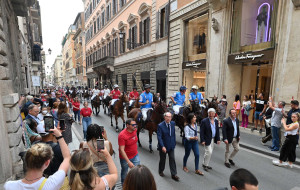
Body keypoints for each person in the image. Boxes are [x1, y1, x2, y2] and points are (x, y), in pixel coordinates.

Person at [4, 126, 70, 190]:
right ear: (47, 163)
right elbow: (67, 158)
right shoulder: (51, 184)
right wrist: (59, 135)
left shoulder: (9, 186)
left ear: (26, 160)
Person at [157, 112, 180, 181]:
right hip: (163, 146)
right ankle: (161, 171)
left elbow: (173, 134)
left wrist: (174, 142)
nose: (168, 118)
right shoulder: (160, 125)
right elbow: (159, 137)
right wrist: (162, 146)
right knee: (162, 160)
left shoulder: (173, 124)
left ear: (171, 118)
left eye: (169, 117)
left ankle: (174, 174)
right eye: (167, 116)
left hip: (171, 145)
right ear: (164, 117)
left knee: (172, 159)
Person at [118, 119, 140, 184]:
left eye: (135, 124)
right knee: (124, 173)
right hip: (125, 159)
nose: (135, 126)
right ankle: (124, 185)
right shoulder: (122, 135)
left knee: (137, 172)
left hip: (135, 155)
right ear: (127, 125)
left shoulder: (135, 130)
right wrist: (128, 162)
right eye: (133, 125)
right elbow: (121, 150)